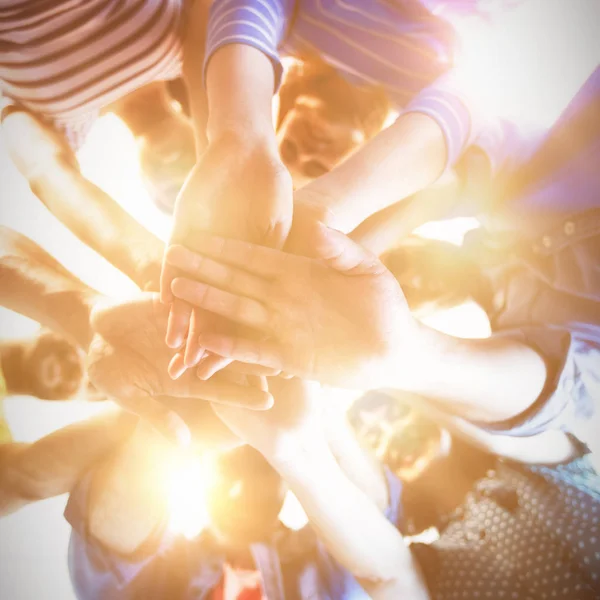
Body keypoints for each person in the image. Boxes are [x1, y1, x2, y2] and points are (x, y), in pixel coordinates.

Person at [164, 65, 600, 458]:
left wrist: (331, 223)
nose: (411, 281)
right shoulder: (515, 282)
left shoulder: (505, 241)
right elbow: (571, 387)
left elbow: (474, 146)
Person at [161, 0, 523, 354]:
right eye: (317, 168)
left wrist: (239, 135)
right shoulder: (426, 103)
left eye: (289, 150)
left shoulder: (295, 32)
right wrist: (327, 214)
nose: (307, 151)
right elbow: (468, 107)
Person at [65, 377, 409, 599]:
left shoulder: (323, 564)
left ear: (287, 480)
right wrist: (176, 414)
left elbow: (376, 514)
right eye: (229, 467)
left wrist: (313, 404)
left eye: (261, 469)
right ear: (199, 470)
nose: (240, 489)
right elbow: (109, 548)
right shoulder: (166, 571)